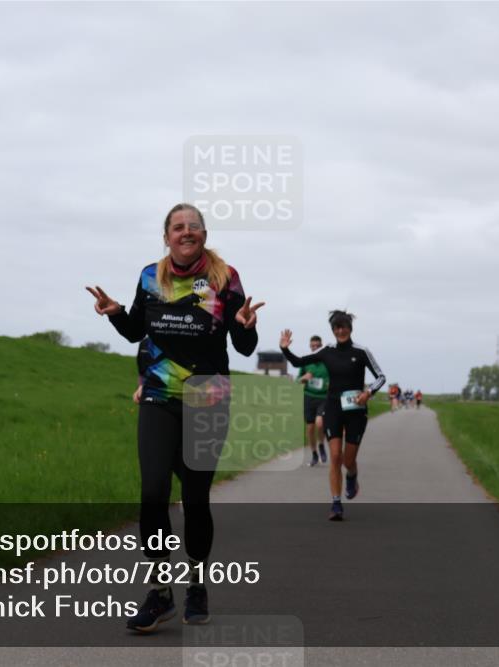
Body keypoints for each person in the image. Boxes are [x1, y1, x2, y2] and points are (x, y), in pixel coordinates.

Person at [87, 203, 263, 632]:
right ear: (166, 237)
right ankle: (160, 592)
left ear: (204, 235)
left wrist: (245, 325)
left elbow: (243, 347)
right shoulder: (151, 276)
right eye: (178, 227)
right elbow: (135, 331)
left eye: (194, 227)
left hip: (208, 399)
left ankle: (198, 582)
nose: (187, 232)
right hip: (159, 395)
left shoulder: (225, 278)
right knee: (152, 491)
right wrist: (114, 314)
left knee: (196, 499)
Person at [279, 311, 386, 520]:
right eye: (337, 328)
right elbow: (299, 362)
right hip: (333, 408)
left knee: (348, 461)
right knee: (335, 457)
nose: (341, 330)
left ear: (350, 328)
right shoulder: (326, 350)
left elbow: (381, 377)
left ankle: (352, 476)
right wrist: (285, 348)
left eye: (344, 326)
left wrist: (368, 393)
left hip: (356, 411)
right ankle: (336, 503)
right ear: (333, 330)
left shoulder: (361, 351)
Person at [296, 335, 329, 466]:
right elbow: (298, 380)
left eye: (317, 346)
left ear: (321, 347)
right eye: (312, 346)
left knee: (320, 424)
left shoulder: (327, 362)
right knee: (310, 428)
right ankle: (314, 453)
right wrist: (304, 378)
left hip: (324, 398)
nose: (315, 348)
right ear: (310, 347)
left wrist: (330, 384)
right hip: (309, 397)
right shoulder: (306, 362)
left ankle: (321, 445)